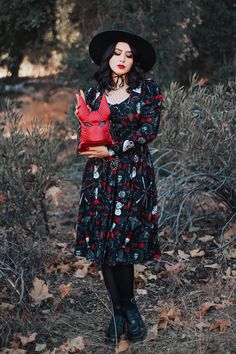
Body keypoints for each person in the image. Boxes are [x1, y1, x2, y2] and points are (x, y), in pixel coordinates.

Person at [74, 28, 163, 345]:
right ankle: (119, 312)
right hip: (99, 177)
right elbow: (89, 137)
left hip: (132, 175)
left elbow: (148, 131)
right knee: (105, 247)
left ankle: (131, 309)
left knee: (122, 245)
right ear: (107, 56)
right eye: (117, 53)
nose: (122, 59)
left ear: (134, 61)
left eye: (128, 55)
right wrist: (84, 120)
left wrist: (115, 149)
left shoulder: (147, 90)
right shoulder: (94, 93)